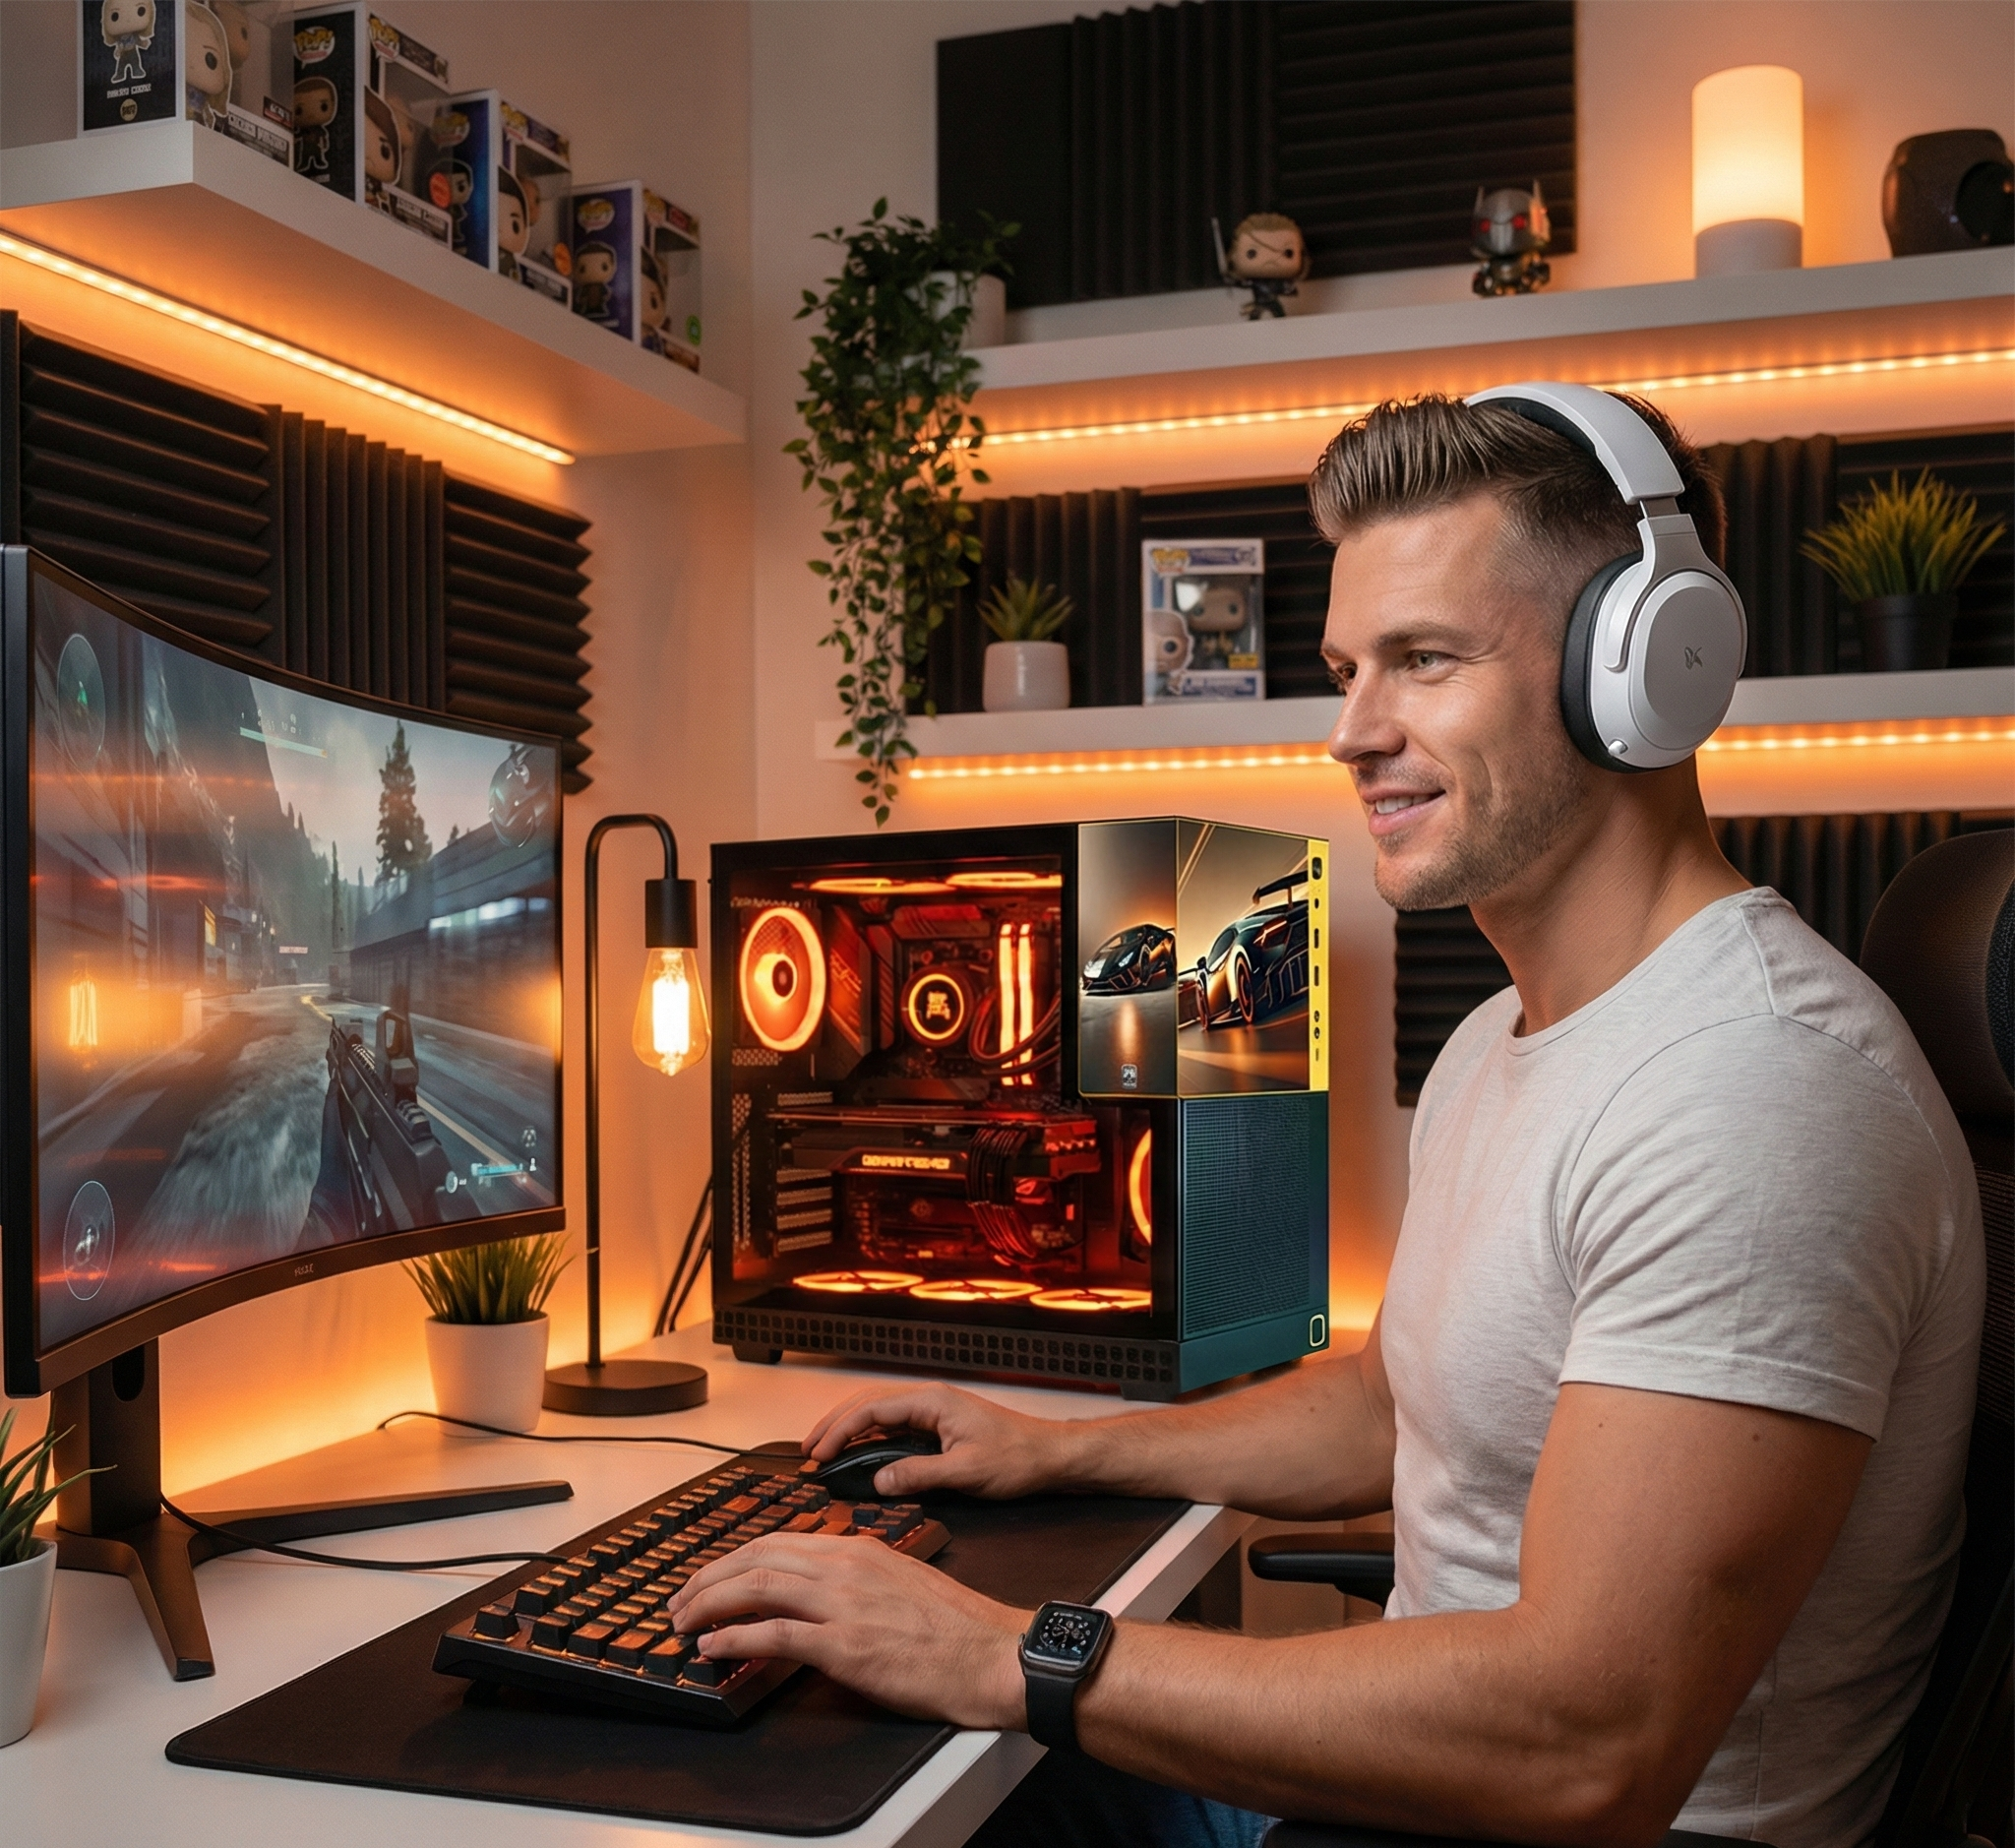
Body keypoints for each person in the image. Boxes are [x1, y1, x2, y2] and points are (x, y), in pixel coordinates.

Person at [666, 392, 1983, 1848]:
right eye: (1348, 668)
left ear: (1646, 666)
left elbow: (1590, 1741)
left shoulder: (1754, 1089)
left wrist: (999, 1650)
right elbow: (1394, 1401)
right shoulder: (1503, 1039)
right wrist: (1054, 1447)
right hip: (1412, 1789)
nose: (1354, 732)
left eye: (1426, 660)